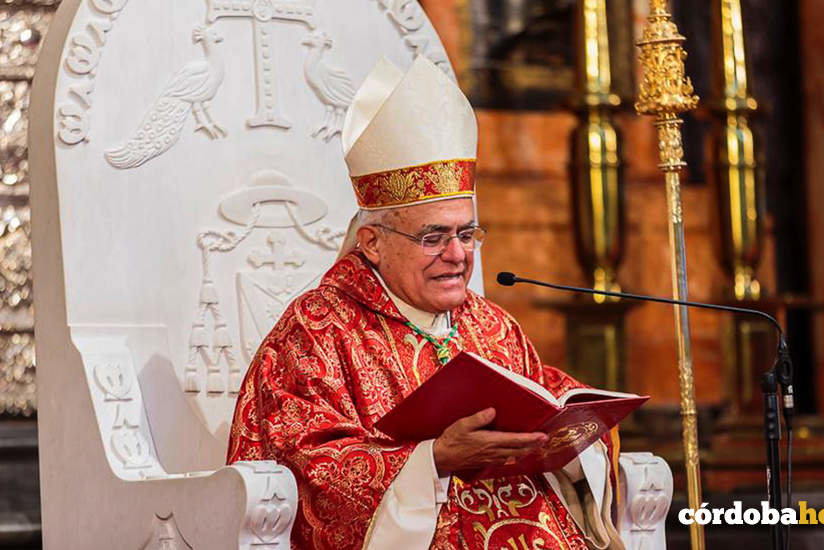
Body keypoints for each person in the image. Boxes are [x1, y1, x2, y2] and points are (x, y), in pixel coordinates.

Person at [228, 55, 623, 550]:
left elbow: (545, 398)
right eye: (433, 236)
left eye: (466, 233)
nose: (457, 255)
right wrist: (433, 459)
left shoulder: (492, 326)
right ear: (372, 242)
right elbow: (304, 470)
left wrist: (572, 435)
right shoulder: (316, 332)